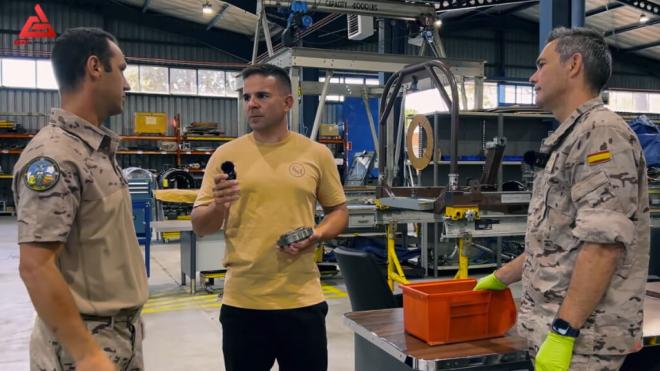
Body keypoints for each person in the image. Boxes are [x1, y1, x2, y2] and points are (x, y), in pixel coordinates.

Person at [475, 27, 649, 370]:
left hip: (584, 339)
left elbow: (603, 246)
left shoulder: (601, 134)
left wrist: (564, 331)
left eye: (541, 64)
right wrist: (502, 276)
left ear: (574, 65)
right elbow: (557, 241)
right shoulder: (571, 137)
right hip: (557, 329)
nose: (532, 76)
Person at [191, 63, 348, 371]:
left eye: (262, 95)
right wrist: (219, 205)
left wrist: (316, 234)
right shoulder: (225, 156)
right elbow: (200, 226)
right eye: (246, 97)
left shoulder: (316, 154)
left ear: (288, 102)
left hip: (301, 301)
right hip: (243, 304)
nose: (252, 104)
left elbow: (339, 212)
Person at [14, 28, 147, 371]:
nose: (127, 84)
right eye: (121, 69)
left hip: (118, 335)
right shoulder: (57, 157)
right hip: (84, 343)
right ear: (94, 67)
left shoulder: (94, 152)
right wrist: (86, 353)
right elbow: (35, 266)